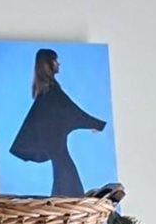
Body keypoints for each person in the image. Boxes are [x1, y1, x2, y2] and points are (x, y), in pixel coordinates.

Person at [8, 47, 105, 197]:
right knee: (66, 172)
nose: (59, 64)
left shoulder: (47, 91)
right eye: (56, 60)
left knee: (63, 173)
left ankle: (64, 203)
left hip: (54, 144)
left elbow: (68, 112)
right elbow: (71, 111)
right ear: (48, 63)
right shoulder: (51, 91)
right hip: (55, 144)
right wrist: (97, 124)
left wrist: (95, 124)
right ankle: (68, 204)